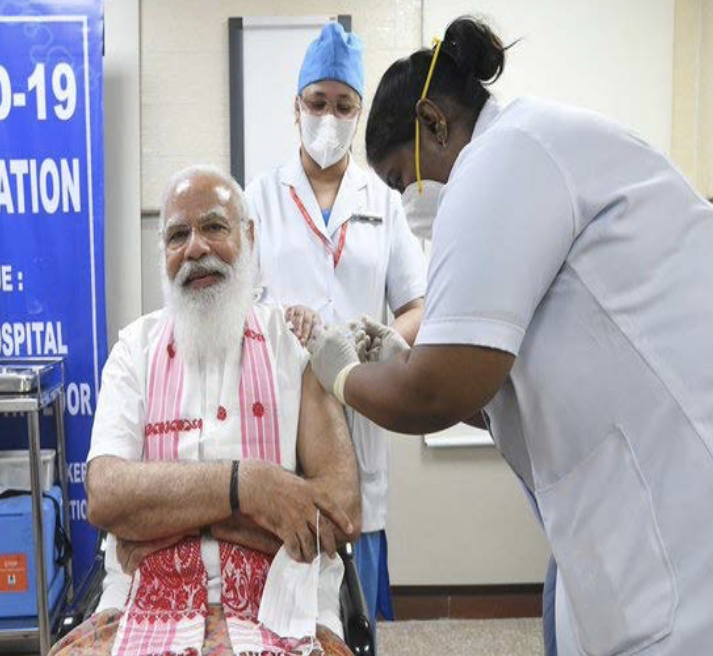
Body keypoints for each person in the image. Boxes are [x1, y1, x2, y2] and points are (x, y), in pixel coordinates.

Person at [306, 15, 713, 656]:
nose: (407, 200)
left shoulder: (505, 157)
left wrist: (344, 374)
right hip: (612, 496)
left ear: (434, 122)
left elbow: (432, 398)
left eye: (398, 177)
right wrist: (401, 356)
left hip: (676, 509)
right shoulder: (529, 151)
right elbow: (489, 395)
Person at [49, 165, 361, 656]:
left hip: (282, 609)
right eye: (178, 235)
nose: (195, 248)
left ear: (250, 237)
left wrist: (171, 518)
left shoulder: (294, 346)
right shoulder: (134, 350)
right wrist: (252, 487)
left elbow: (341, 511)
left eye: (214, 227)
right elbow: (107, 497)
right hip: (142, 607)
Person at [245, 22, 427, 629]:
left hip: (361, 409)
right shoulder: (258, 200)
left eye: (343, 105)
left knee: (353, 601)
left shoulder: (383, 199)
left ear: (359, 113)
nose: (329, 116)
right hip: (280, 415)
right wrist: (277, 321)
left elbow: (419, 303)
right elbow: (237, 311)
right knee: (280, 605)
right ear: (296, 108)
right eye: (317, 102)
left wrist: (383, 339)